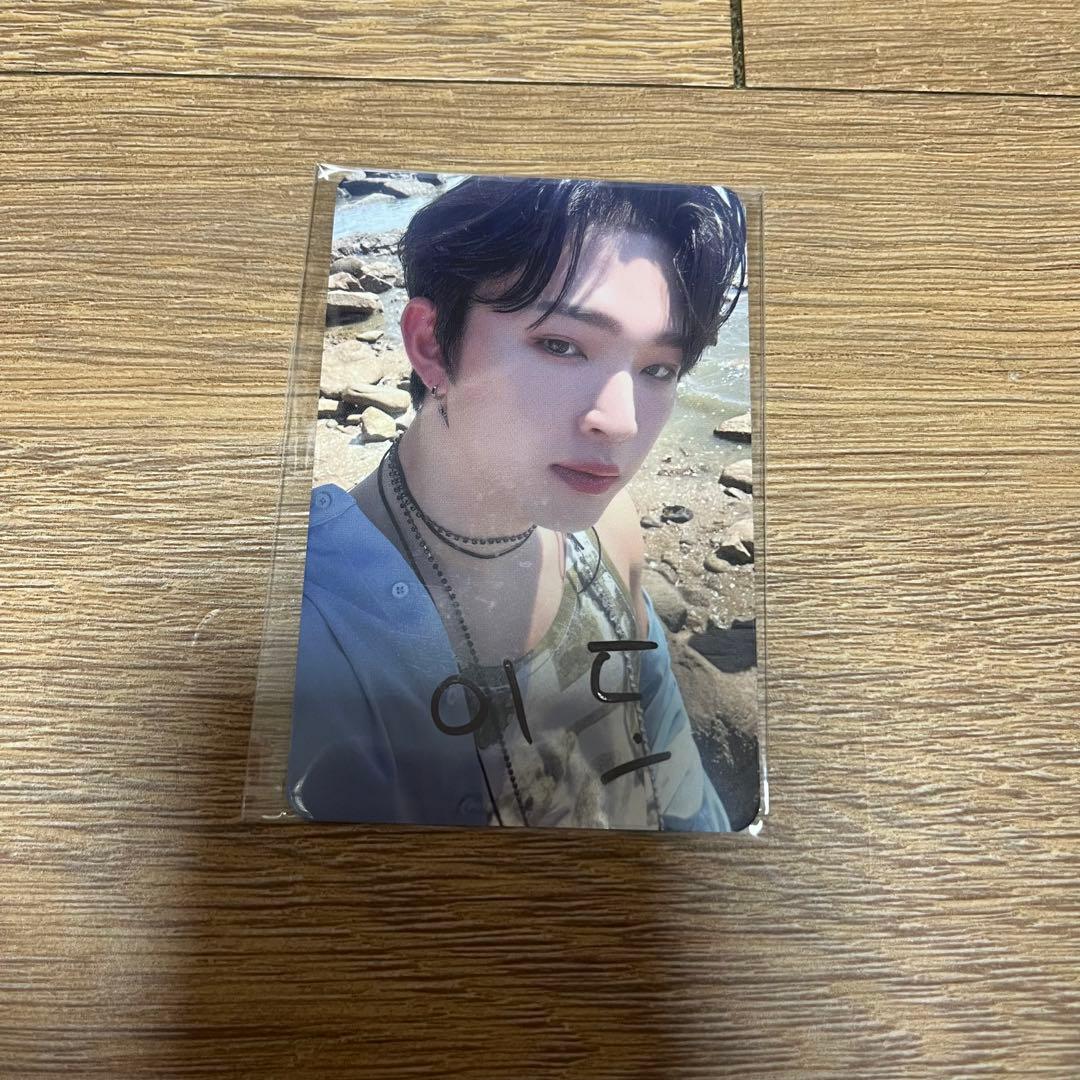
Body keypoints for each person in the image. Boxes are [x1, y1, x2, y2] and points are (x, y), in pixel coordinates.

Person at [287, 174, 747, 831]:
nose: (621, 422)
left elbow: (677, 786)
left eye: (658, 369)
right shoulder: (306, 616)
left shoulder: (612, 537)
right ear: (431, 344)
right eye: (562, 345)